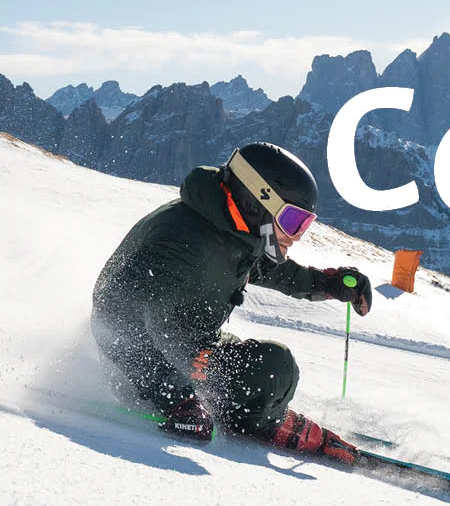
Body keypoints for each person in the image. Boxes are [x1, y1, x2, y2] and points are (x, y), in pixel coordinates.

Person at [91, 142, 374, 463]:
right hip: (137, 366)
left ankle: (252, 409)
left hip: (192, 347)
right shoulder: (179, 239)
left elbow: (265, 268)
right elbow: (128, 323)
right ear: (258, 198)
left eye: (305, 224)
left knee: (272, 371)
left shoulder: (232, 227)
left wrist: (328, 284)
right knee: (274, 369)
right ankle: (258, 421)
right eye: (294, 220)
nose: (296, 235)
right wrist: (177, 400)